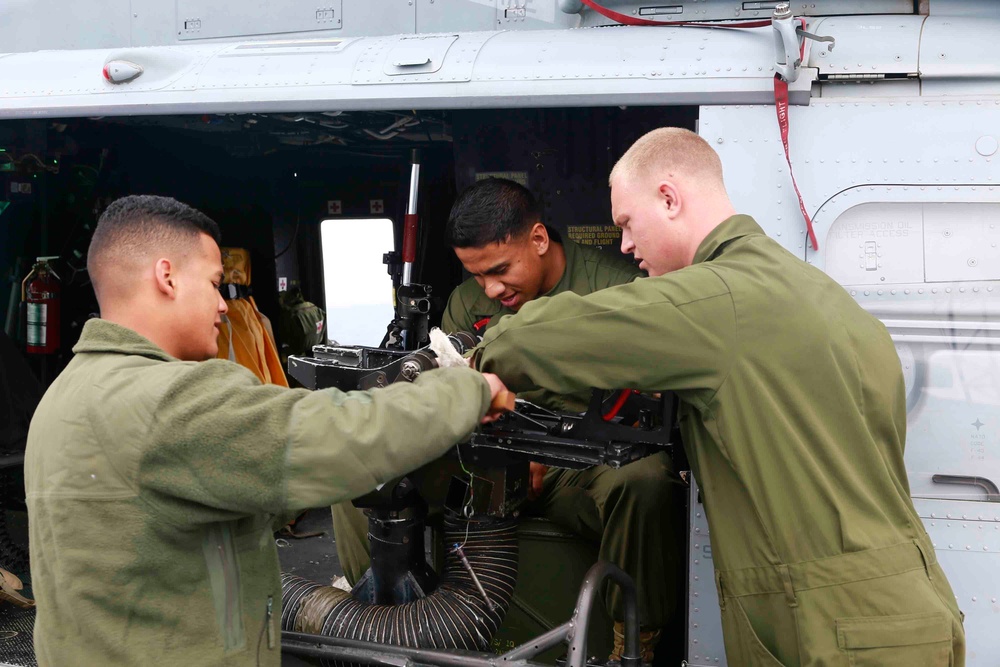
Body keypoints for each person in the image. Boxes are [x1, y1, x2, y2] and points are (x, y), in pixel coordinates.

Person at [471, 130, 966, 666]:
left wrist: (474, 361)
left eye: (627, 225)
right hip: (914, 607)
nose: (625, 247)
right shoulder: (827, 300)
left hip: (835, 631)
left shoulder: (719, 299)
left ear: (668, 198)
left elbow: (529, 340)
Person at [24, 194, 507, 667]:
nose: (221, 306)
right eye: (215, 284)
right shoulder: (169, 399)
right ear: (166, 277)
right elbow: (334, 440)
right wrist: (468, 391)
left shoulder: (66, 394)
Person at [332, 178, 684, 662]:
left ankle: (634, 641)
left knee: (645, 482)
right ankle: (371, 616)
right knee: (363, 473)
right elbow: (453, 387)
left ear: (538, 240)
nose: (491, 290)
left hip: (576, 465)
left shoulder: (614, 289)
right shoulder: (468, 303)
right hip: (485, 459)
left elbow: (638, 403)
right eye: (477, 277)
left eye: (500, 270)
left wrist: (539, 450)